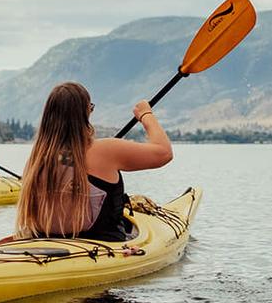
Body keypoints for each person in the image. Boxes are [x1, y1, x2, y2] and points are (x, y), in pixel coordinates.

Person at [15, 81, 172, 240]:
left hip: (45, 243)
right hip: (104, 245)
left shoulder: (37, 159)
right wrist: (146, 114)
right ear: (85, 113)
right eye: (90, 108)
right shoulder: (106, 150)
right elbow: (164, 153)